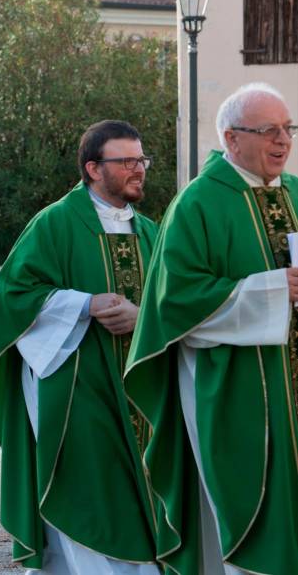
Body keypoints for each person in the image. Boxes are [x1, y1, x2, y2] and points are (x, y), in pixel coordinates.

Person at [125, 83, 298, 575]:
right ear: (231, 137)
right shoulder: (197, 204)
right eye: (269, 130)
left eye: (288, 129)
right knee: (251, 504)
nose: (282, 141)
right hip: (238, 386)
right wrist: (269, 290)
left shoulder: (296, 192)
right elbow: (175, 299)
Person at [0, 120, 159, 572]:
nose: (139, 170)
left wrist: (143, 315)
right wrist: (83, 304)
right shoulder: (55, 224)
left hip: (142, 392)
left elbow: (170, 301)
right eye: (127, 161)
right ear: (93, 168)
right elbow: (14, 295)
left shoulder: (153, 231)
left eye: (142, 160)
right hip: (79, 392)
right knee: (88, 491)